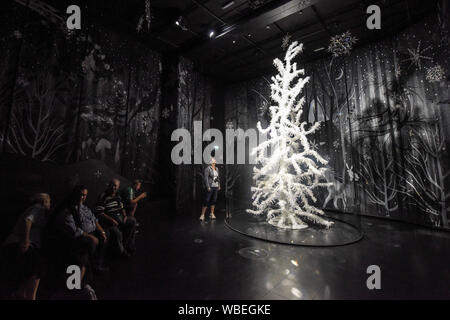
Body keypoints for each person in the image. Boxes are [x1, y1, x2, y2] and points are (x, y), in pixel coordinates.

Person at [0, 193, 52, 300]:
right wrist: (25, 240)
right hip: (19, 243)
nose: (50, 204)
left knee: (32, 268)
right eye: (49, 202)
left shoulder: (37, 210)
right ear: (45, 202)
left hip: (23, 244)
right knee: (38, 266)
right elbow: (28, 220)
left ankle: (21, 293)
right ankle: (30, 296)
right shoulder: (38, 208)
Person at [55, 185, 109, 273]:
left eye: (84, 195)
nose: (82, 197)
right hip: (80, 236)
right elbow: (74, 230)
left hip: (92, 232)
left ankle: (96, 265)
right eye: (80, 195)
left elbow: (94, 220)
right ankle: (81, 278)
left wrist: (102, 231)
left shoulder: (85, 207)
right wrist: (91, 237)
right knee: (88, 245)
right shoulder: (68, 210)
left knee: (106, 234)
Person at [96, 179, 137, 257]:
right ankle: (121, 252)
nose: (113, 187)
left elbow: (122, 208)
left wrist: (125, 216)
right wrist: (111, 220)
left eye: (116, 186)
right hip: (109, 221)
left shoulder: (117, 196)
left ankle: (126, 246)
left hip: (120, 218)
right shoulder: (103, 196)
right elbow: (100, 213)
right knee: (117, 233)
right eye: (112, 185)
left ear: (118, 187)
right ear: (109, 185)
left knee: (133, 221)